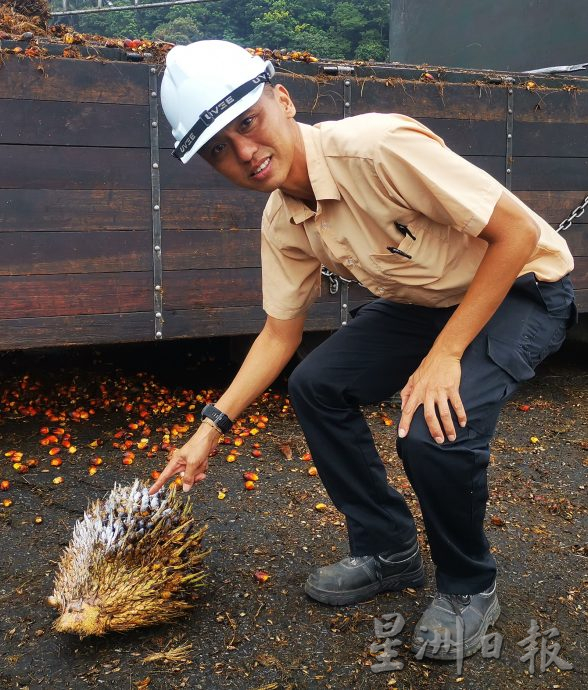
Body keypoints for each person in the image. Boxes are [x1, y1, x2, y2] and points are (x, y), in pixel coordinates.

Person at [149, 40, 576, 661]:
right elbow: (279, 335)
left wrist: (446, 353)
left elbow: (515, 234)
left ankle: (468, 585)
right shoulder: (281, 222)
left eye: (248, 122)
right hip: (424, 303)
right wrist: (210, 428)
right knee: (316, 384)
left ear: (283, 99)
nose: (244, 151)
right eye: (218, 148)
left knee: (433, 428)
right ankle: (388, 549)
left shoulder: (377, 148)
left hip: (520, 286)